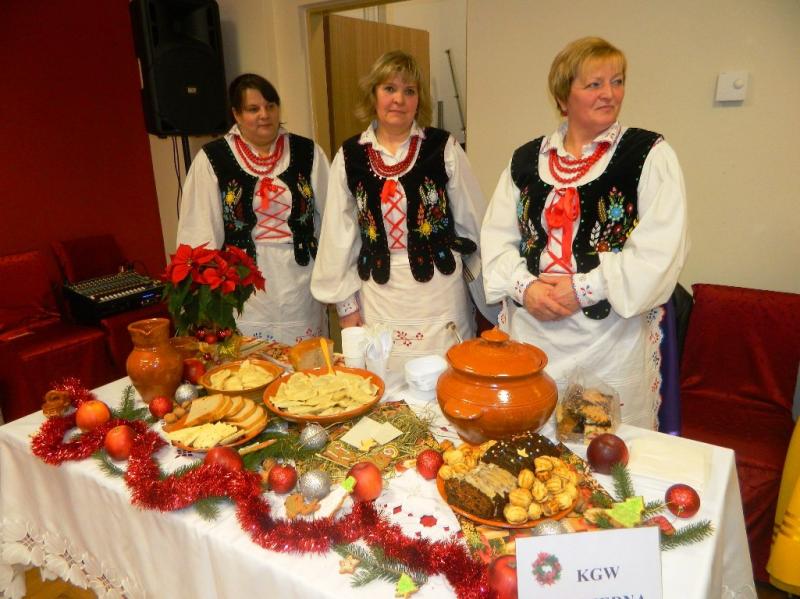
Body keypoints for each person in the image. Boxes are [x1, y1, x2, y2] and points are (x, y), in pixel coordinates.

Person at [481, 37, 689, 429]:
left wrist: (583, 289)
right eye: (594, 84)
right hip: (533, 338)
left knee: (601, 446)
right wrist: (526, 287)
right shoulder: (524, 160)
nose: (610, 93)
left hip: (610, 342)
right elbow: (495, 238)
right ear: (563, 98)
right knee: (531, 440)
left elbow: (660, 251)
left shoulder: (648, 155)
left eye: (617, 81)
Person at [311, 51, 494, 370]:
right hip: (379, 296)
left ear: (418, 100)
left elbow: (473, 224)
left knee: (445, 378)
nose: (399, 99)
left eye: (409, 91)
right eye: (389, 88)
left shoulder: (443, 148)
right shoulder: (350, 156)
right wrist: (347, 309)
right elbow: (338, 239)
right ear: (373, 95)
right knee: (385, 379)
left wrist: (490, 296)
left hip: (440, 295)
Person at [177, 73, 330, 344]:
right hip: (244, 289)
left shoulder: (308, 152)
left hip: (301, 283)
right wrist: (204, 300)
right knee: (252, 363)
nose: (264, 115)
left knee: (306, 360)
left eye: (270, 106)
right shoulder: (213, 159)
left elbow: (331, 221)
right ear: (236, 114)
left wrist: (332, 277)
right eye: (253, 109)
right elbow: (199, 233)